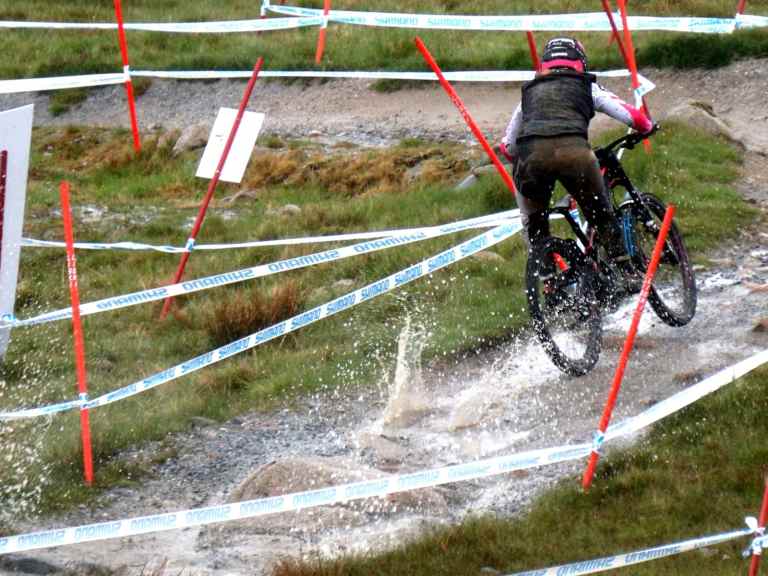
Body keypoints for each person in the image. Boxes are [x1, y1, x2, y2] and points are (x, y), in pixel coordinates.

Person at [500, 37, 653, 293]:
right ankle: (626, 270)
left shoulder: (528, 93)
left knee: (533, 219)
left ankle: (548, 280)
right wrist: (647, 127)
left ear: (544, 65)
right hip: (576, 156)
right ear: (580, 63)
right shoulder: (587, 86)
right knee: (599, 212)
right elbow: (630, 115)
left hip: (531, 160)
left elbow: (508, 147)